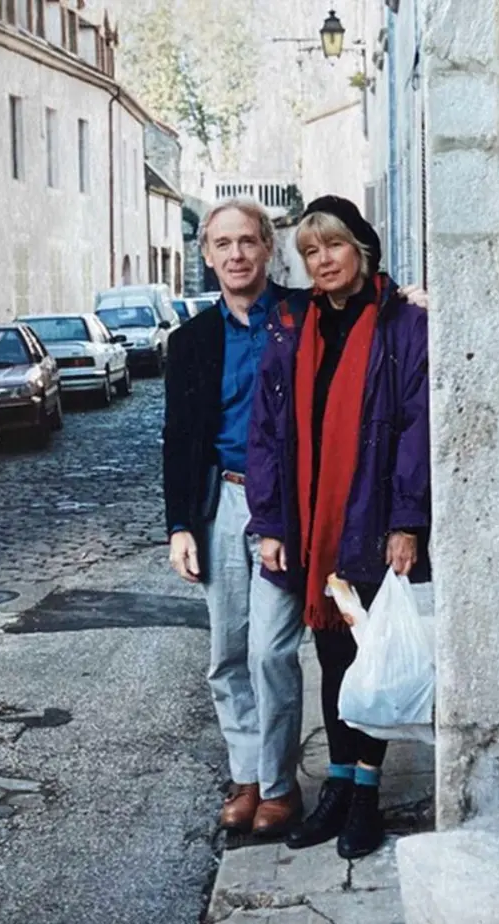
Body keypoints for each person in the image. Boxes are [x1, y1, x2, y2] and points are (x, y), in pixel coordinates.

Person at [245, 195, 430, 860]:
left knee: (368, 654)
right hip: (311, 515)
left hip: (372, 516)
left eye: (334, 247)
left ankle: (365, 799)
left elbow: (417, 427)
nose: (322, 261)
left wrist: (407, 521)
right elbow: (264, 431)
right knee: (331, 655)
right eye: (311, 251)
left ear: (363, 250)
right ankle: (340, 783)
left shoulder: (402, 322)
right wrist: (269, 521)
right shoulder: (292, 325)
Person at [163, 198, 305, 837]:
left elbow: (369, 317)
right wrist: (180, 526)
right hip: (223, 501)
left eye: (248, 241)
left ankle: (279, 785)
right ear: (207, 255)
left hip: (285, 506)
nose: (237, 255)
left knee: (272, 651)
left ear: (268, 248)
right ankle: (245, 776)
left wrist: (408, 298)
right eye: (223, 244)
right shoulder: (191, 340)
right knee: (227, 652)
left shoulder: (302, 318)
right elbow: (178, 436)